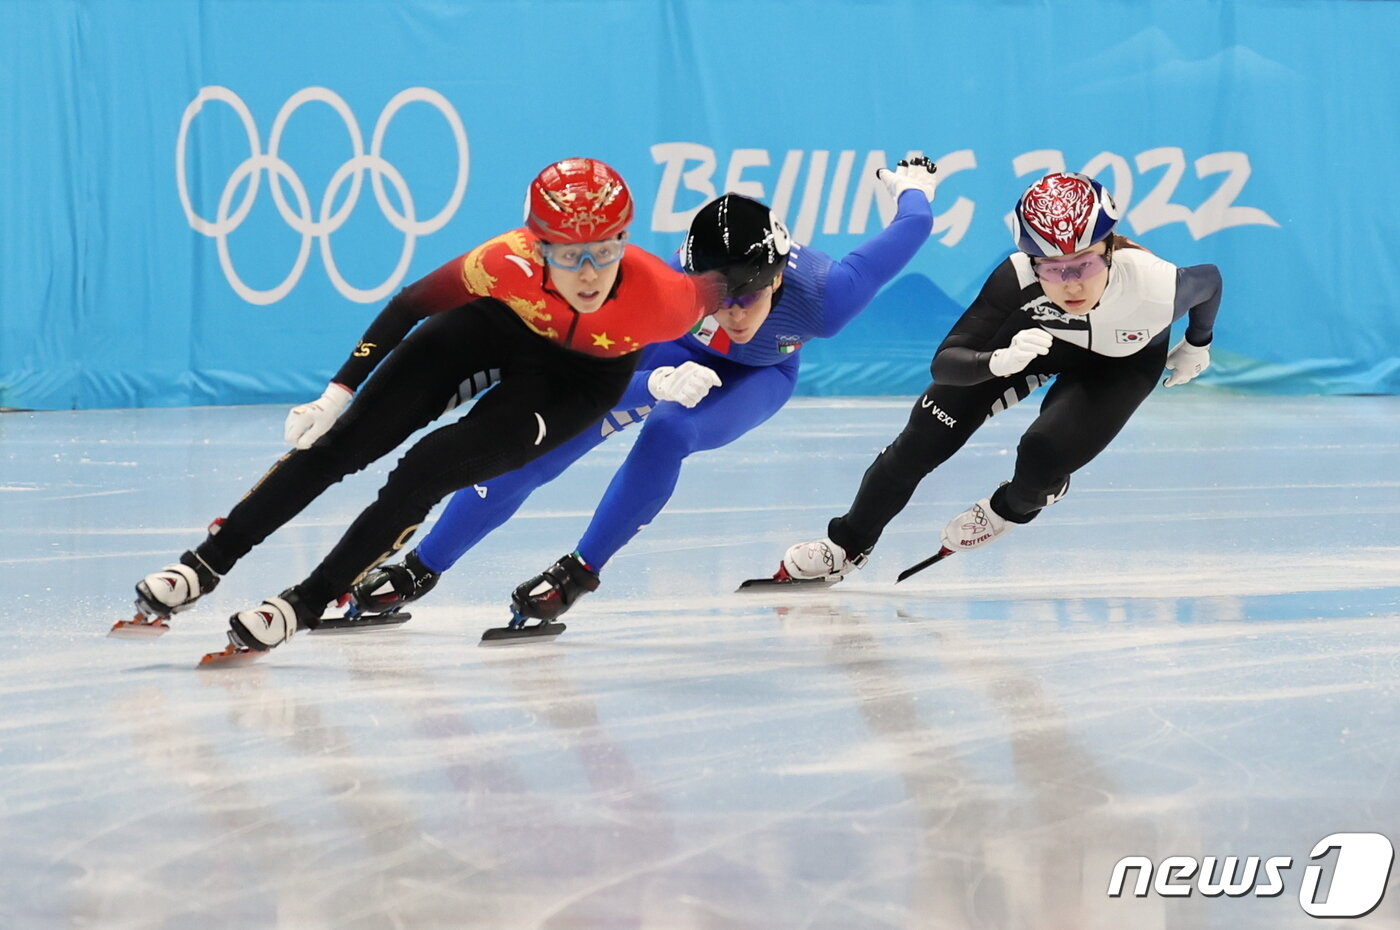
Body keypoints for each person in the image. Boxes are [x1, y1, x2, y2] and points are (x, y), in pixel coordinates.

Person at [123, 157, 730, 654]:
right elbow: (410, 304)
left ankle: (305, 602)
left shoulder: (668, 297)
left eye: (604, 250)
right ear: (538, 244)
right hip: (498, 327)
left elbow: (745, 285)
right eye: (569, 254)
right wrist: (338, 392)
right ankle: (204, 564)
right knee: (341, 444)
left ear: (624, 239)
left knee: (425, 470)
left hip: (577, 382)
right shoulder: (504, 260)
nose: (590, 273)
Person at [348, 157, 940, 626]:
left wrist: (912, 187)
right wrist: (653, 382)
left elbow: (912, 225)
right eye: (720, 300)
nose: (734, 316)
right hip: (668, 352)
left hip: (760, 375)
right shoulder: (660, 292)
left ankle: (580, 571)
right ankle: (422, 566)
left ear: (780, 277)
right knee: (543, 439)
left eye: (749, 298)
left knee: (669, 430)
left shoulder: (829, 297)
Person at [777, 171, 1222, 582]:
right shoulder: (1017, 278)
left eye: (1084, 264)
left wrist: (1197, 343)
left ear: (1109, 250)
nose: (1071, 284)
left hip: (1119, 363)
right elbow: (946, 362)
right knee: (921, 438)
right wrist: (994, 362)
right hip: (1033, 340)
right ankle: (847, 544)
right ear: (1032, 261)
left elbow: (1211, 283)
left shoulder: (1156, 285)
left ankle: (1014, 504)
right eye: (1051, 268)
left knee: (1042, 456)